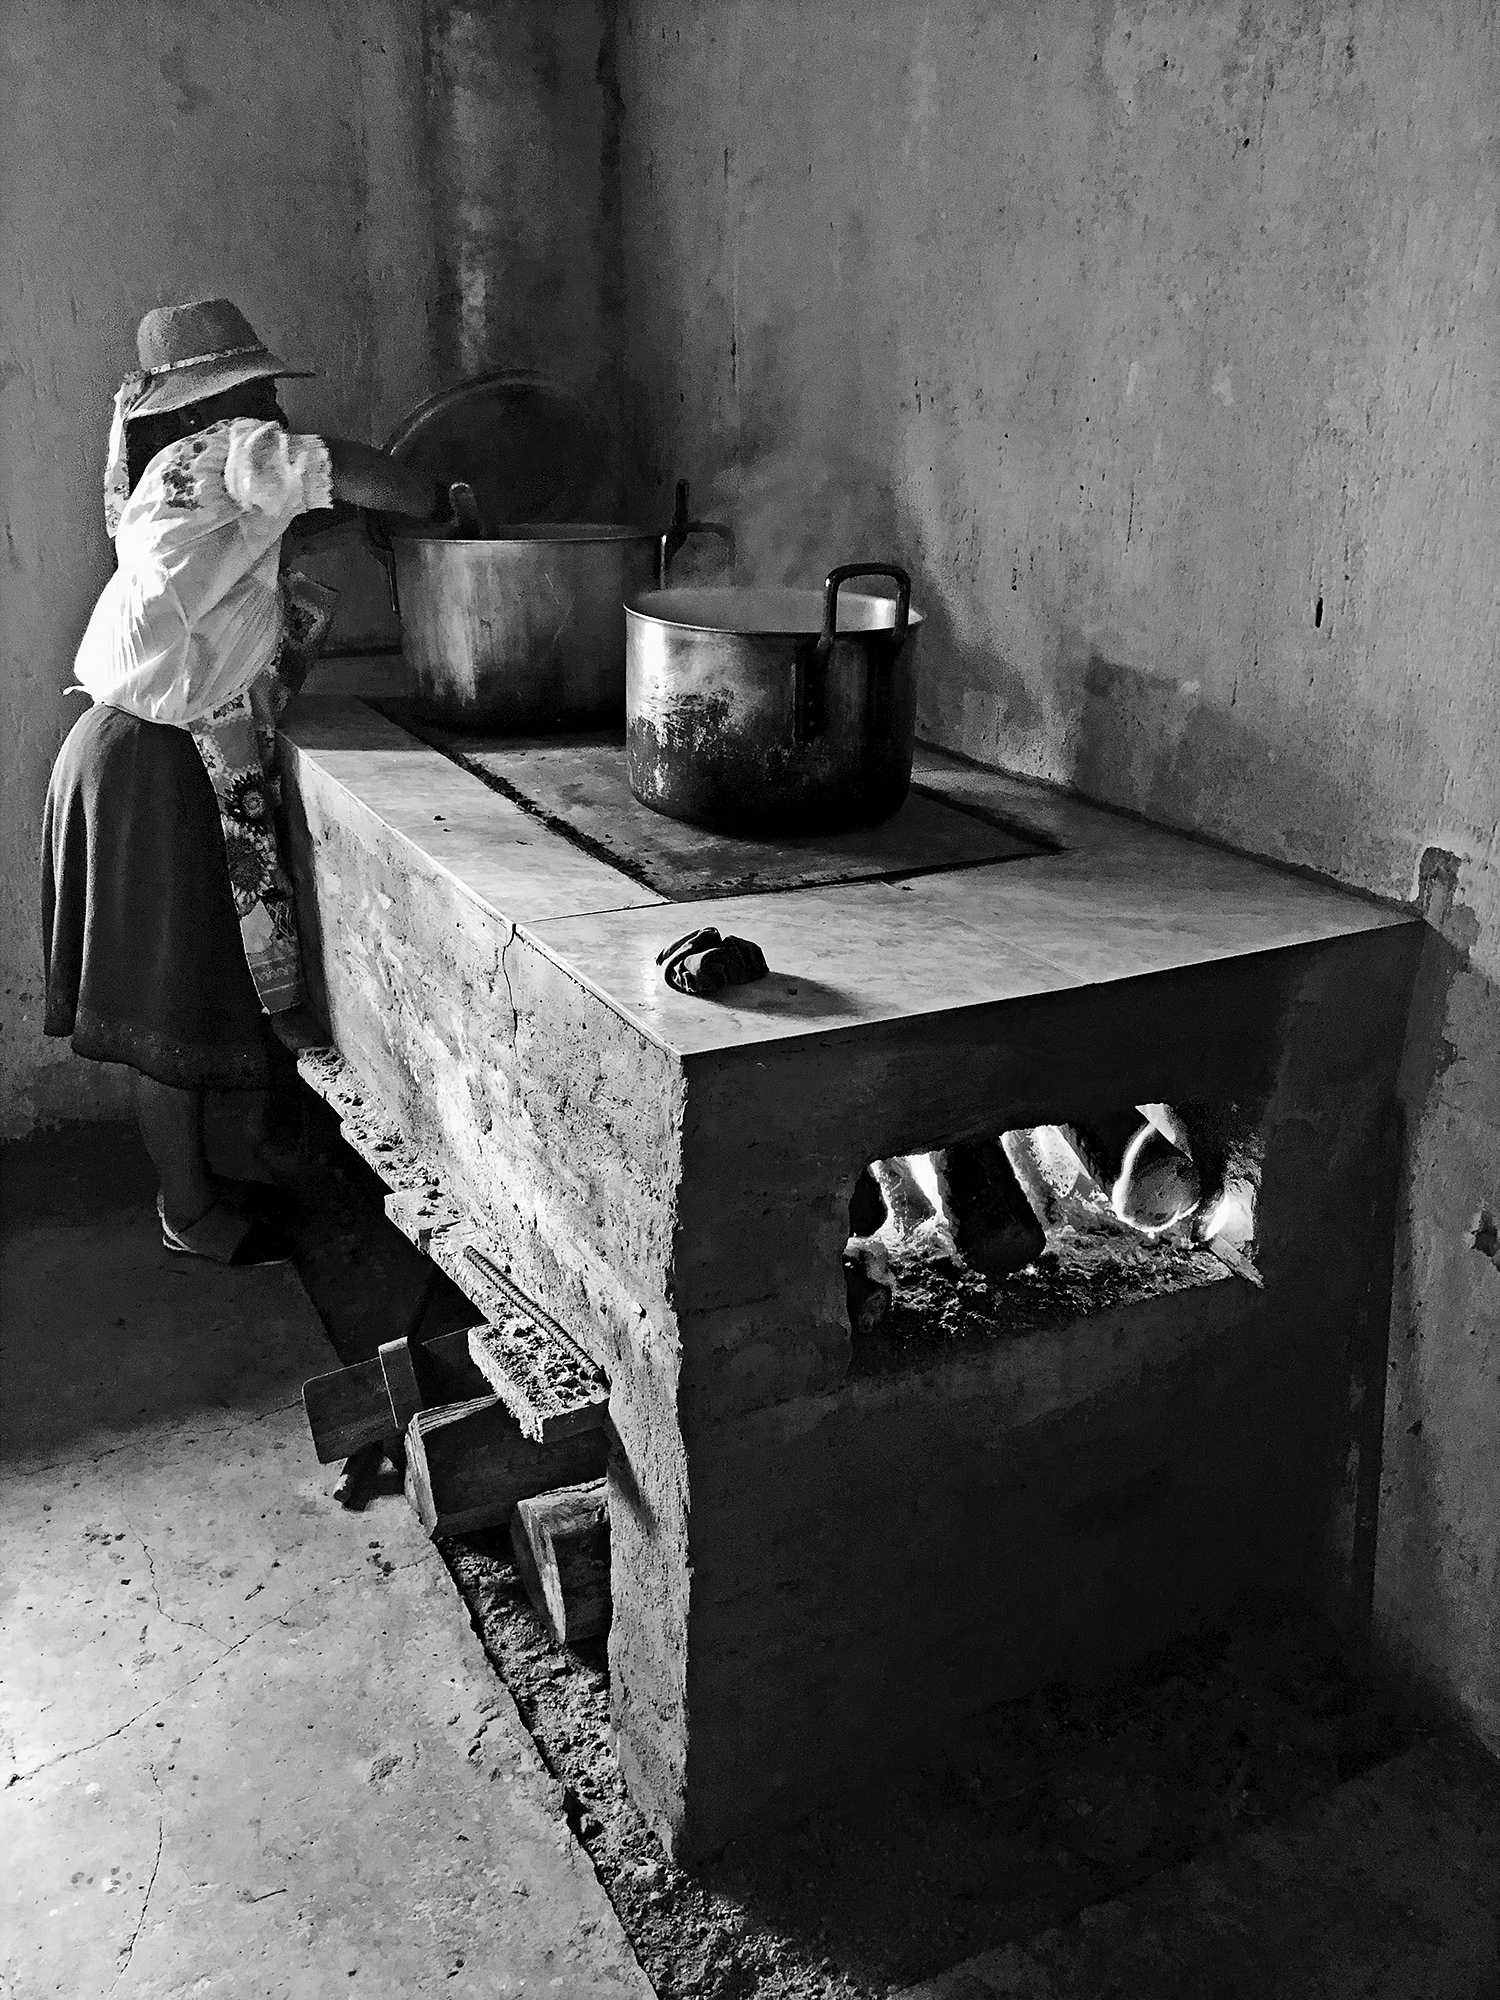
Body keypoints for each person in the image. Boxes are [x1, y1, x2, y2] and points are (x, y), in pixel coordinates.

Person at [42, 297, 450, 1265]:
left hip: (115, 750)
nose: (267, 402)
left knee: (171, 992)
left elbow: (284, 528)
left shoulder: (165, 479)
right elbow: (346, 468)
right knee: (165, 1003)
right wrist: (438, 499)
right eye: (251, 386)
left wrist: (354, 518)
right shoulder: (231, 449)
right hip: (149, 764)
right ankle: (189, 1210)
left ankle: (208, 1178)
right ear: (207, 406)